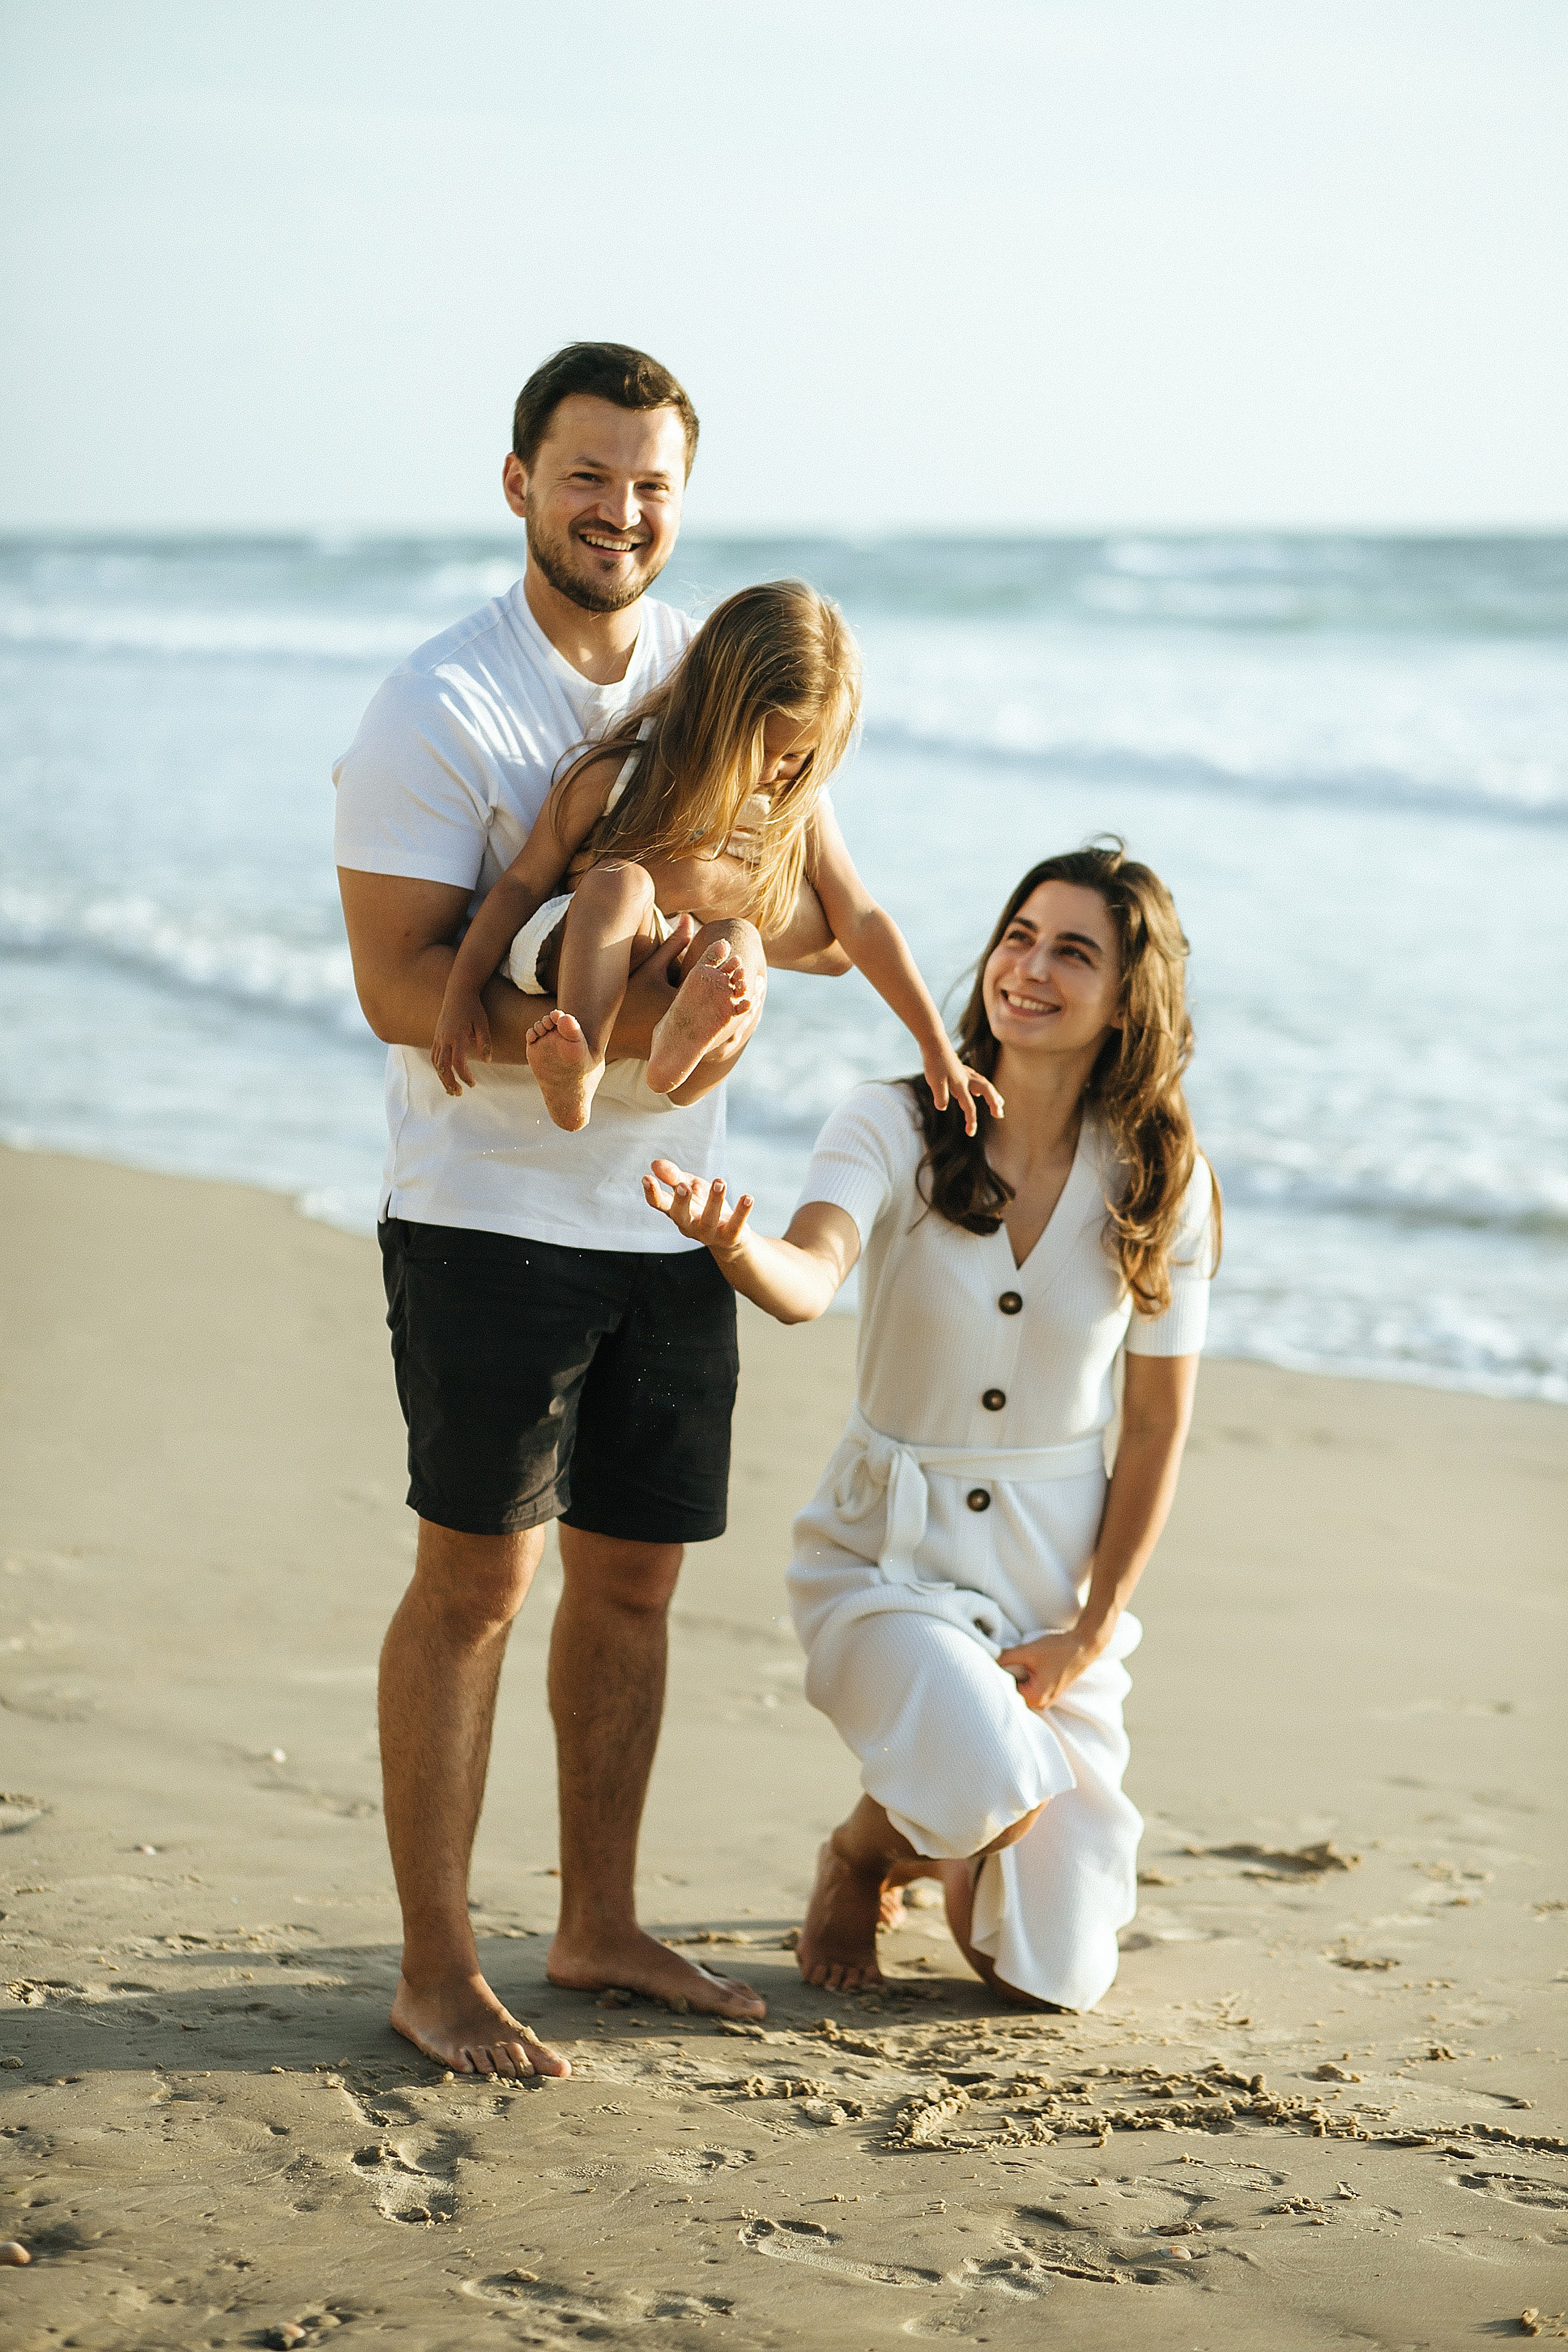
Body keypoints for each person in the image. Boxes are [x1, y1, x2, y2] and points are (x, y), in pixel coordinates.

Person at [333, 342, 783, 2079]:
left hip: (673, 1217)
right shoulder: (439, 705)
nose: (622, 511)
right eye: (589, 475)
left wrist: (740, 979)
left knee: (637, 1588)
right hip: (489, 1217)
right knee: (475, 1585)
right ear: (518, 482)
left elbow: (797, 896)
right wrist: (575, 1032)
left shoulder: (712, 681)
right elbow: (394, 981)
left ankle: (596, 1924)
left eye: (654, 481)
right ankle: (436, 1968)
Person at [644, 843, 1219, 2011]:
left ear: (1126, 999)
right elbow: (812, 1272)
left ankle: (906, 1825)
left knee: (1052, 1975)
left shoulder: (1163, 1175)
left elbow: (1154, 1430)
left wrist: (1090, 1631)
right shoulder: (896, 1120)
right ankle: (863, 1853)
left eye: (1074, 951)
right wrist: (737, 1245)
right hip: (883, 1564)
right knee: (995, 1779)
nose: (1032, 968)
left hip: (1046, 1590)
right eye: (1019, 936)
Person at [429, 579, 998, 1137]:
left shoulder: (794, 806)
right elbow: (522, 886)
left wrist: (935, 1044)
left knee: (737, 944)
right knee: (621, 884)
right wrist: (461, 992)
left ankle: (685, 1049)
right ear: (711, 712)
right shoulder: (620, 771)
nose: (774, 772)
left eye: (797, 756)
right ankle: (583, 1058)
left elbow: (861, 920)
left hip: (680, 973)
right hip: (579, 948)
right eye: (759, 748)